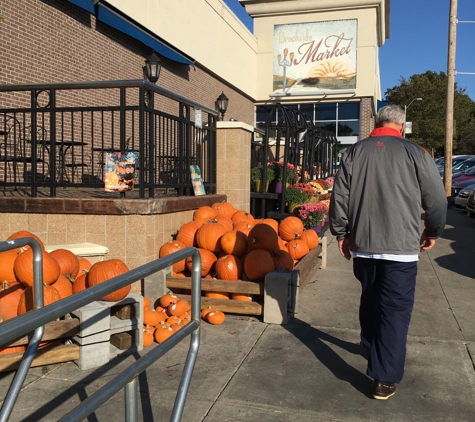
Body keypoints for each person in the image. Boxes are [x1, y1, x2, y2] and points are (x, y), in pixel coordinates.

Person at [329, 105, 447, 400]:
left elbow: (340, 194)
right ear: (402, 124)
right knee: (394, 310)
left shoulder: (356, 151)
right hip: (401, 248)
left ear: (379, 123)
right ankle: (384, 377)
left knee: (370, 295)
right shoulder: (416, 152)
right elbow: (435, 199)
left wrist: (341, 233)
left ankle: (370, 343)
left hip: (365, 245)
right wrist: (432, 231)